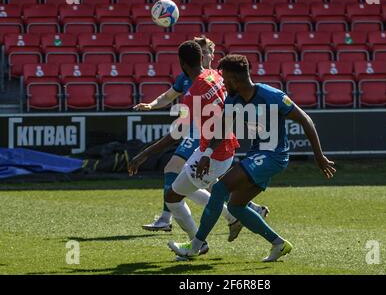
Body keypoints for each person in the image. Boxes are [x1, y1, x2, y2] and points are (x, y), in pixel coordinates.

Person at [168, 54, 336, 262]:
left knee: (220, 189)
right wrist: (208, 154)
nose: (223, 83)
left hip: (274, 155)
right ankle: (279, 244)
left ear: (234, 80)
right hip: (257, 154)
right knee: (236, 206)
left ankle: (196, 245)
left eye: (225, 79)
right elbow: (222, 127)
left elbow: (305, 119)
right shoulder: (234, 99)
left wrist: (318, 156)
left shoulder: (272, 96)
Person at [128, 43, 268, 250]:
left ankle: (197, 244)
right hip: (222, 147)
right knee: (186, 185)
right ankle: (231, 218)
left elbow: (177, 133)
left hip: (213, 154)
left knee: (172, 197)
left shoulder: (192, 95)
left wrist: (144, 154)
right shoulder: (215, 75)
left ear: (182, 64)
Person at [132, 37, 218, 232]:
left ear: (212, 55)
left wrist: (145, 153)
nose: (203, 55)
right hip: (194, 130)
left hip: (204, 132)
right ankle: (245, 211)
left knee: (174, 169)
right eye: (200, 52)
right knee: (207, 180)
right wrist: (152, 105)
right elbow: (169, 96)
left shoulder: (215, 77)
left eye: (205, 52)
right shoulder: (186, 78)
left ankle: (166, 218)